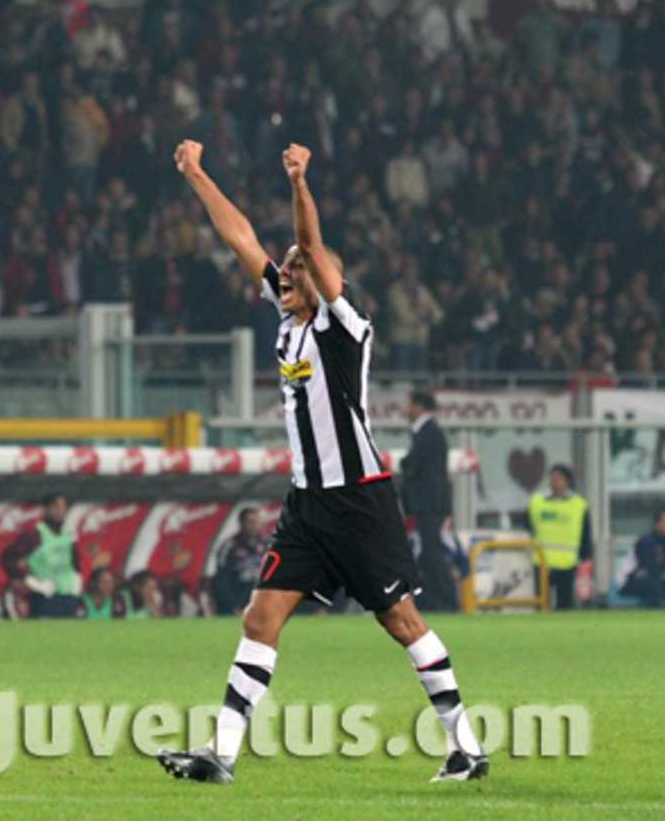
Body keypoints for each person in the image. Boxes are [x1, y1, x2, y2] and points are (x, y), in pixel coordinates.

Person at [157, 140, 487, 785]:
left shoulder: (343, 327)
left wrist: (300, 184)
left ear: (322, 278)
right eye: (282, 271)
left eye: (295, 269)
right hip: (307, 506)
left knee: (402, 622)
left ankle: (465, 747)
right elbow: (242, 239)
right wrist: (198, 174)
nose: (284, 273)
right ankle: (219, 754)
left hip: (361, 501)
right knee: (261, 617)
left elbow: (308, 245)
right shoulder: (285, 319)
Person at [401, 390, 458, 611]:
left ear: (418, 406)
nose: (405, 410)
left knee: (433, 553)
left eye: (408, 404)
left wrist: (403, 465)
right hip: (428, 504)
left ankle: (448, 602)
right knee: (428, 553)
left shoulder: (429, 432)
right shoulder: (427, 432)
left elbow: (414, 464)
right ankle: (438, 602)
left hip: (430, 504)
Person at [0, 493, 82, 618]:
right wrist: (33, 582)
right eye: (56, 507)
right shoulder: (35, 534)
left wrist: (77, 581)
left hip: (69, 598)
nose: (60, 511)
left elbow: (75, 562)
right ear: (45, 510)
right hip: (45, 598)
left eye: (63, 507)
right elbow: (7, 558)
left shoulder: (68, 535)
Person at [527, 465, 593, 610]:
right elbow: (528, 528)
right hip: (541, 561)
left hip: (567, 562)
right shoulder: (537, 503)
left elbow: (585, 535)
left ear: (567, 481)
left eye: (559, 478)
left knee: (565, 604)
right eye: (552, 478)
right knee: (541, 603)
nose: (554, 482)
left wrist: (586, 559)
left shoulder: (578, 505)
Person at [212, 508, 269, 615]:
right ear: (241, 524)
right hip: (237, 605)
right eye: (250, 522)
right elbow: (221, 580)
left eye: (257, 522)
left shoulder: (268, 544)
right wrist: (233, 606)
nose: (254, 526)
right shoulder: (229, 547)